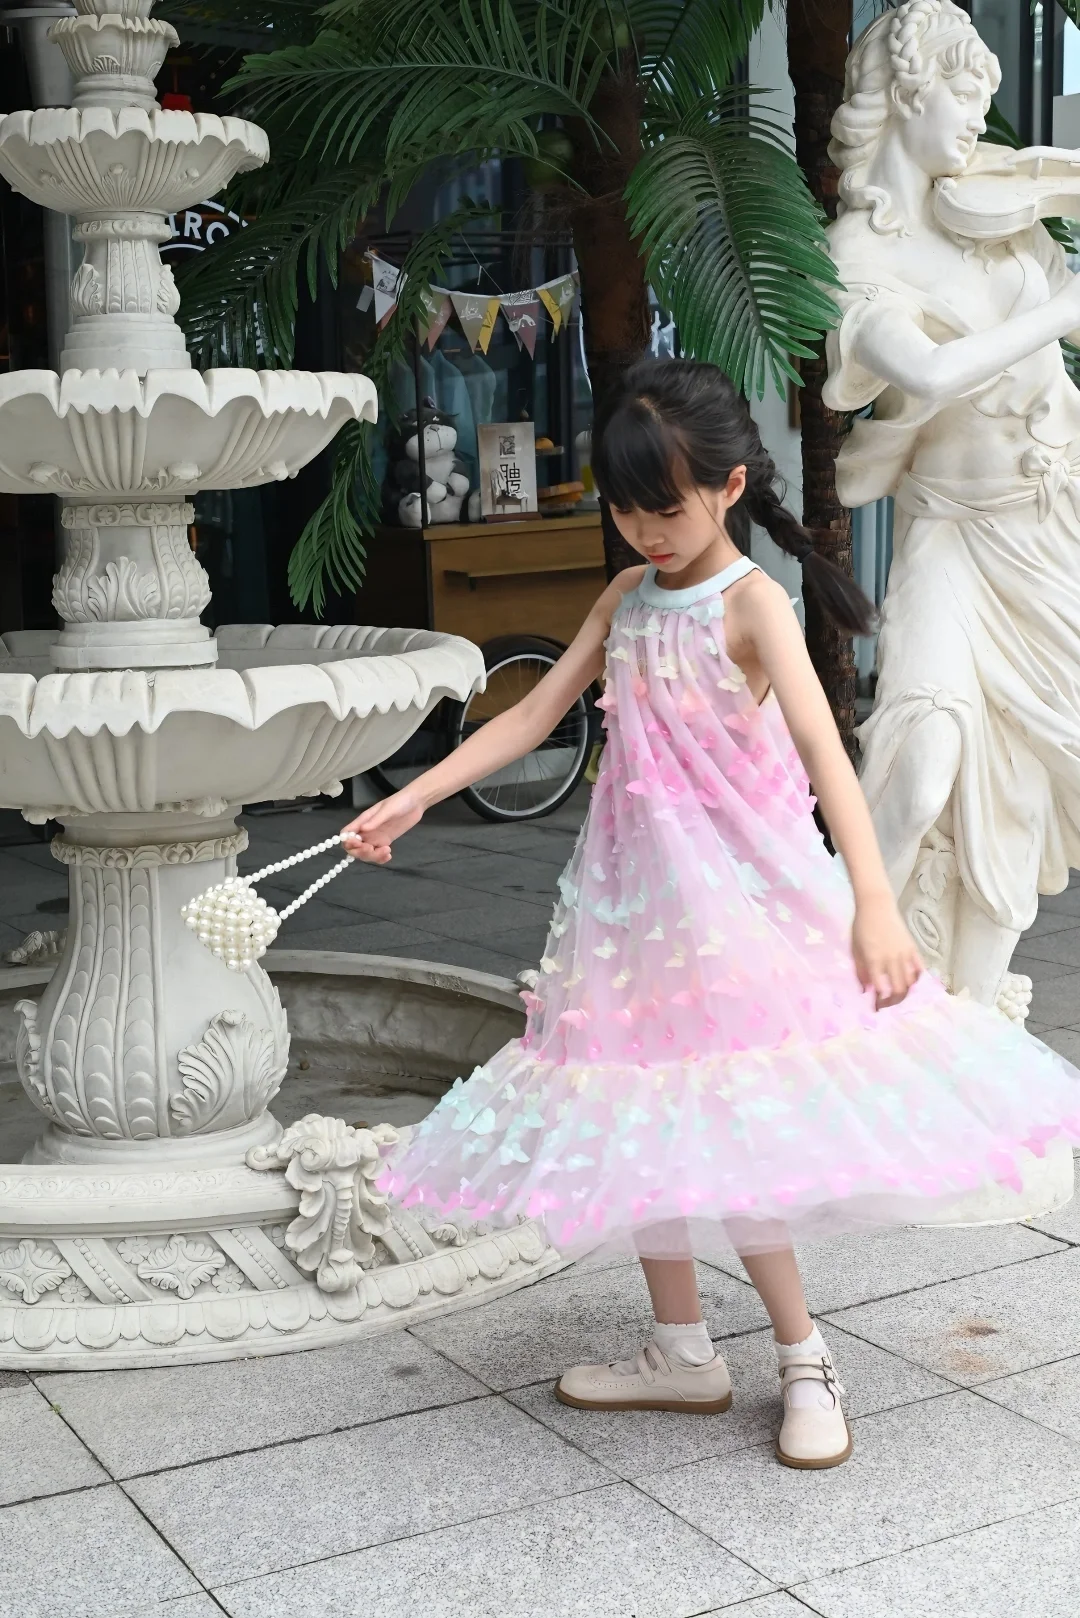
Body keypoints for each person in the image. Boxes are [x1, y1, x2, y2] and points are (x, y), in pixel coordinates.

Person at [341, 358, 1080, 1471]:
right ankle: (681, 1348)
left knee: (734, 1123)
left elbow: (828, 754)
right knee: (644, 1111)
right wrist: (414, 794)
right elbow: (532, 715)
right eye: (626, 508)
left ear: (730, 487)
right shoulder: (625, 599)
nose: (646, 531)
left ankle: (805, 1356)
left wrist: (875, 906)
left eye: (667, 508)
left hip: (743, 908)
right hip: (632, 909)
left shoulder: (752, 605)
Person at [825, 0, 1080, 1015]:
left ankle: (970, 1013)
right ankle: (838, 994)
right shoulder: (857, 257)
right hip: (954, 538)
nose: (981, 117)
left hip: (1051, 524)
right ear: (908, 93)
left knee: (1022, 782)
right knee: (923, 761)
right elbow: (928, 370)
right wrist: (1059, 311)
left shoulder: (996, 212)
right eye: (966, 93)